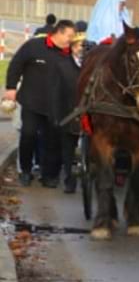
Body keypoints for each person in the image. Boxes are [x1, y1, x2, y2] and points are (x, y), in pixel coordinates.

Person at [4, 20, 78, 188]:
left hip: (56, 106)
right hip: (31, 102)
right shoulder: (34, 46)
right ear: (58, 32)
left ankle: (49, 175)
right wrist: (11, 87)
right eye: (69, 36)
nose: (71, 39)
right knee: (28, 135)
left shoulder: (69, 54)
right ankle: (26, 171)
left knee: (53, 140)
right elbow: (16, 64)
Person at [56, 29, 87, 194]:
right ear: (73, 47)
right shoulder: (63, 66)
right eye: (79, 45)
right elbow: (55, 91)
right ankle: (69, 179)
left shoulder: (93, 64)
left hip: (89, 114)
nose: (82, 49)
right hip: (69, 112)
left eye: (85, 46)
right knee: (68, 149)